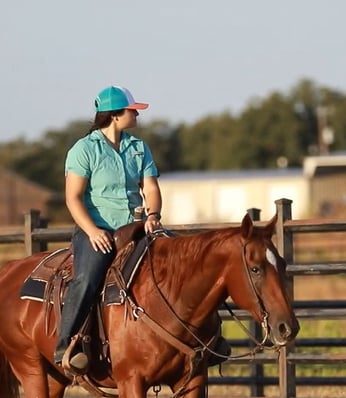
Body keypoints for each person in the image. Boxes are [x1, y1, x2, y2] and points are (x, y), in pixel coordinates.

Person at [53, 85, 230, 373]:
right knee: (86, 279)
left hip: (136, 228)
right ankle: (66, 344)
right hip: (98, 230)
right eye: (132, 110)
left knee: (186, 266)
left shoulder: (138, 147)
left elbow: (150, 186)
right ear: (114, 115)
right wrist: (92, 232)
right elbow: (73, 197)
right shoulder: (83, 150)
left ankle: (208, 339)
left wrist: (153, 214)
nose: (136, 114)